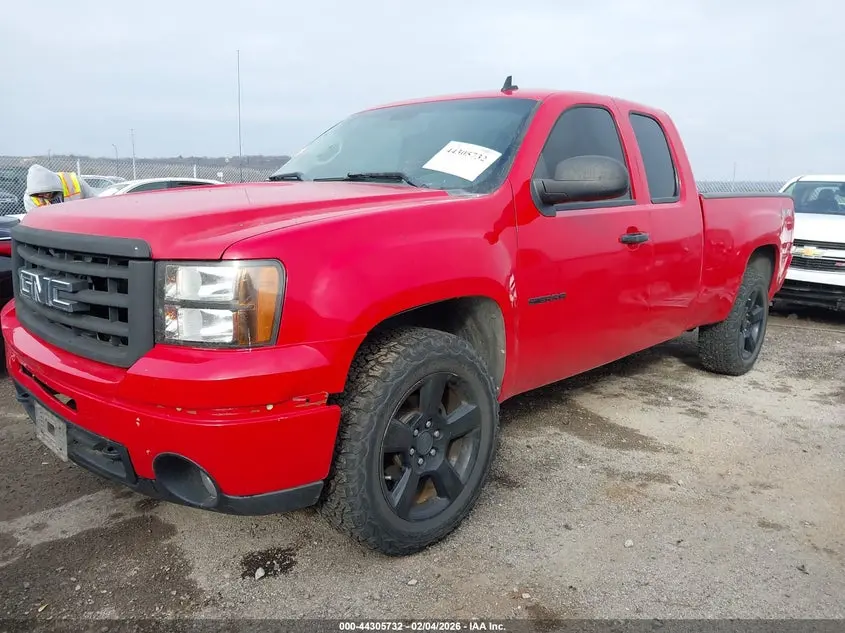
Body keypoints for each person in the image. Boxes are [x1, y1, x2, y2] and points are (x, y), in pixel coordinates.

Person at [23, 164, 101, 212]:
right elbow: (36, 222)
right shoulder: (30, 198)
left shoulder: (73, 181)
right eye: (41, 195)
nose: (46, 196)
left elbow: (95, 203)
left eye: (48, 193)